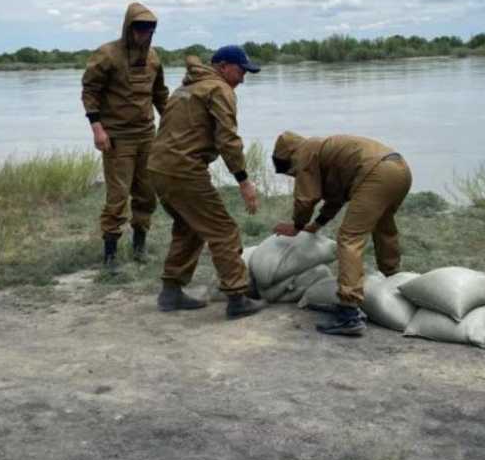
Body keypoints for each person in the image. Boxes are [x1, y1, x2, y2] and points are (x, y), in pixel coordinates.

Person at [148, 45, 265, 318]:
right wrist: (244, 181)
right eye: (240, 71)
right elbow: (228, 140)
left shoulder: (185, 88)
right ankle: (237, 297)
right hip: (183, 170)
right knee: (222, 230)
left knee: (189, 227)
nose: (243, 79)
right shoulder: (219, 89)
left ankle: (171, 292)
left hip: (158, 168)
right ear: (223, 66)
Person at [271, 132, 412, 336]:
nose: (294, 176)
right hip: (399, 170)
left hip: (376, 173)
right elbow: (335, 198)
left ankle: (348, 312)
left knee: (349, 238)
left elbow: (306, 198)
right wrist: (316, 224)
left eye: (292, 173)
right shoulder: (321, 150)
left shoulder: (303, 154)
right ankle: (393, 278)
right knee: (384, 228)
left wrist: (297, 225)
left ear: (289, 158)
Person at [81, 2, 171, 267]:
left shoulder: (154, 57)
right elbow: (90, 92)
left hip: (147, 135)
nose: (145, 33)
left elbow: (160, 95)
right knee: (117, 197)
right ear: (129, 27)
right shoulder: (107, 55)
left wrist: (173, 123)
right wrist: (97, 129)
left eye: (150, 28)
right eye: (140, 27)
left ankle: (139, 248)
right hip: (117, 137)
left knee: (146, 194)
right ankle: (110, 255)